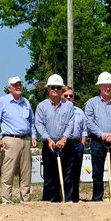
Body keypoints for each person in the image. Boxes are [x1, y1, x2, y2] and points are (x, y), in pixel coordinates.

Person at [0, 76, 35, 203]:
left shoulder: (26, 102)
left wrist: (34, 136)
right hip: (10, 139)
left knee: (26, 173)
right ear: (9, 88)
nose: (18, 86)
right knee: (7, 173)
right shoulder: (2, 101)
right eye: (15, 85)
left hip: (25, 140)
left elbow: (32, 122)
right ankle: (6, 201)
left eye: (20, 84)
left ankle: (25, 200)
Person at [85, 71, 111, 202]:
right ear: (99, 87)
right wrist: (101, 134)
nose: (108, 88)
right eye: (105, 85)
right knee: (97, 173)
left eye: (110, 86)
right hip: (97, 142)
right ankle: (97, 198)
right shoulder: (92, 103)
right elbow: (89, 121)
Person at [34, 74, 77, 203]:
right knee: (50, 176)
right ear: (48, 89)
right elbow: (39, 124)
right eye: (53, 87)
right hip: (49, 145)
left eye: (58, 87)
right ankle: (49, 202)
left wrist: (64, 139)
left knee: (67, 176)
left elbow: (71, 123)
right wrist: (48, 139)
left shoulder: (68, 106)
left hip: (65, 145)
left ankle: (67, 200)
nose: (55, 90)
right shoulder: (41, 106)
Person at [63, 87, 86, 202]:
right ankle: (66, 198)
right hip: (64, 145)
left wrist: (82, 144)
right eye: (66, 95)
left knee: (76, 173)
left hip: (77, 144)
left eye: (70, 96)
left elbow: (84, 130)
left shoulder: (79, 112)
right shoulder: (59, 110)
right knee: (66, 174)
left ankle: (75, 198)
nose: (68, 98)